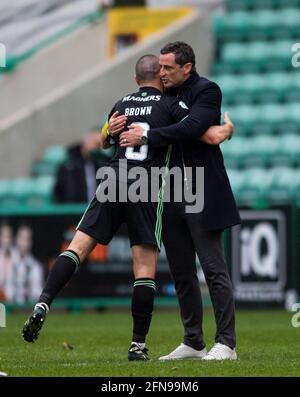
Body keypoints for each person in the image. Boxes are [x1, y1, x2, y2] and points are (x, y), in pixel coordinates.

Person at [22, 54, 233, 361]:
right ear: (159, 79)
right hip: (145, 185)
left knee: (77, 247)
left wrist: (108, 131)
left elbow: (105, 140)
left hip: (112, 178)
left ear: (135, 80)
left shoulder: (120, 104)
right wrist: (226, 130)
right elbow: (205, 133)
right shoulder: (171, 106)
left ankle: (43, 301)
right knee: (143, 268)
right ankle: (137, 345)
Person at [113, 42, 241, 360]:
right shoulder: (165, 95)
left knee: (213, 268)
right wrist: (110, 128)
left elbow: (194, 127)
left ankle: (226, 343)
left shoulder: (208, 91)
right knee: (181, 272)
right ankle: (194, 342)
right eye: (160, 67)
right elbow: (200, 131)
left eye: (168, 68)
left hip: (201, 190)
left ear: (187, 67)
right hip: (168, 192)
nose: (161, 72)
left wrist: (150, 136)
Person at [53, 131, 103, 203]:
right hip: (73, 211)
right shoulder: (68, 166)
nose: (98, 148)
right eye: (96, 144)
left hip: (95, 210)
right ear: (85, 143)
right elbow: (58, 192)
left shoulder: (100, 163)